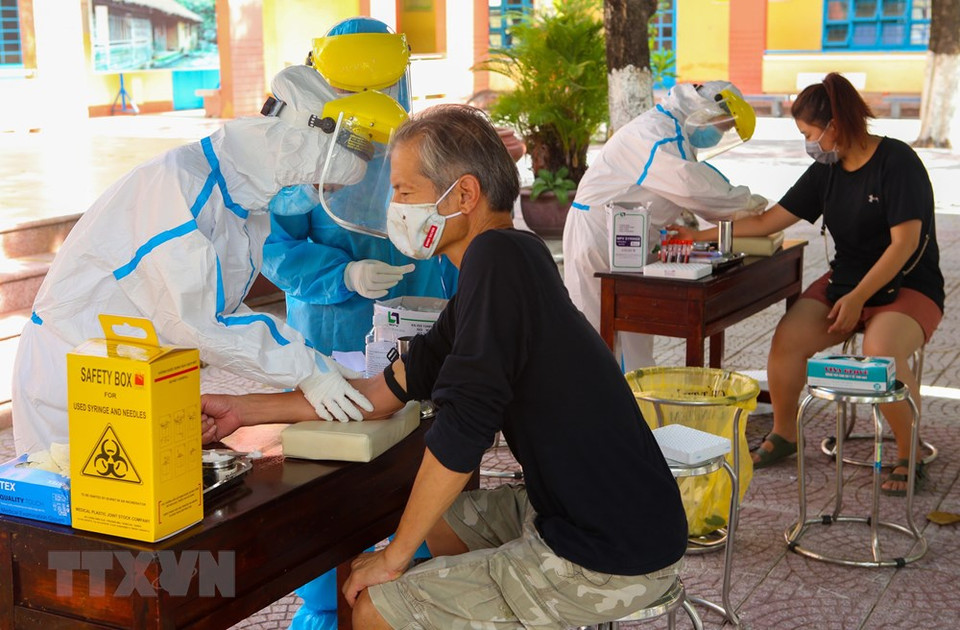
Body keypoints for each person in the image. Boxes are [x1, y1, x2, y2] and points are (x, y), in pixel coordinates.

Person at [200, 103, 688, 629]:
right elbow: (378, 393)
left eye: (405, 191)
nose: (394, 206)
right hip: (585, 511)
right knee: (440, 527)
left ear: (464, 195)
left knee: (372, 611)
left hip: (610, 550)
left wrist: (394, 559)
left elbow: (464, 429)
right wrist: (244, 410)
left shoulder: (498, 262)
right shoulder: (499, 269)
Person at [10, 62, 413, 454]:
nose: (310, 196)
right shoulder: (179, 187)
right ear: (291, 156)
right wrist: (307, 368)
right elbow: (199, 322)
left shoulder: (245, 206)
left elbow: (224, 311)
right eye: (316, 185)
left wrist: (311, 364)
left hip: (137, 371)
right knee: (76, 503)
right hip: (72, 377)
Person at [671, 73, 944, 496]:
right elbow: (766, 223)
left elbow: (904, 244)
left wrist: (858, 299)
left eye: (810, 133)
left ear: (835, 125)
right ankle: (785, 435)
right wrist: (697, 237)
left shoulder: (897, 162)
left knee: (880, 353)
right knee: (788, 339)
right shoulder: (825, 172)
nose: (809, 144)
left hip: (908, 283)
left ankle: (910, 455)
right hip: (846, 281)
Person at [262, 17, 458, 356]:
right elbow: (273, 247)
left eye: (382, 86)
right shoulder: (299, 159)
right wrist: (345, 275)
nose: (370, 101)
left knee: (416, 402)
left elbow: (458, 239)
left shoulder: (430, 149)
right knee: (335, 403)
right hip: (331, 334)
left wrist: (462, 313)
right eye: (351, 89)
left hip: (422, 319)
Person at [562, 81, 768, 371]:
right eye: (720, 127)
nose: (717, 135)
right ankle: (600, 409)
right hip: (599, 236)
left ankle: (632, 404)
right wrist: (744, 204)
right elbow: (690, 185)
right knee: (597, 333)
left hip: (625, 236)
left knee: (632, 330)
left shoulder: (674, 132)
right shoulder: (658, 134)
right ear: (705, 110)